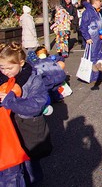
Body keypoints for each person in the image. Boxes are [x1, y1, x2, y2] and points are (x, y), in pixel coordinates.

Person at [0, 42, 50, 186]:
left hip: (28, 130)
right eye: (2, 67)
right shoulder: (2, 79)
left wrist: (12, 102)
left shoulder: (33, 79)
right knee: (12, 169)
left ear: (21, 63)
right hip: (8, 133)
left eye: (9, 68)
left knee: (31, 167)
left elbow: (36, 105)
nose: (5, 72)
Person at [79, 0, 102, 84]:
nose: (101, 3)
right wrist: (87, 37)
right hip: (92, 38)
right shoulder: (88, 12)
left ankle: (96, 76)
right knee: (92, 58)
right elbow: (83, 26)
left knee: (97, 57)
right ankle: (92, 77)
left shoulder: (97, 12)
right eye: (100, 1)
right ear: (96, 2)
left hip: (99, 38)